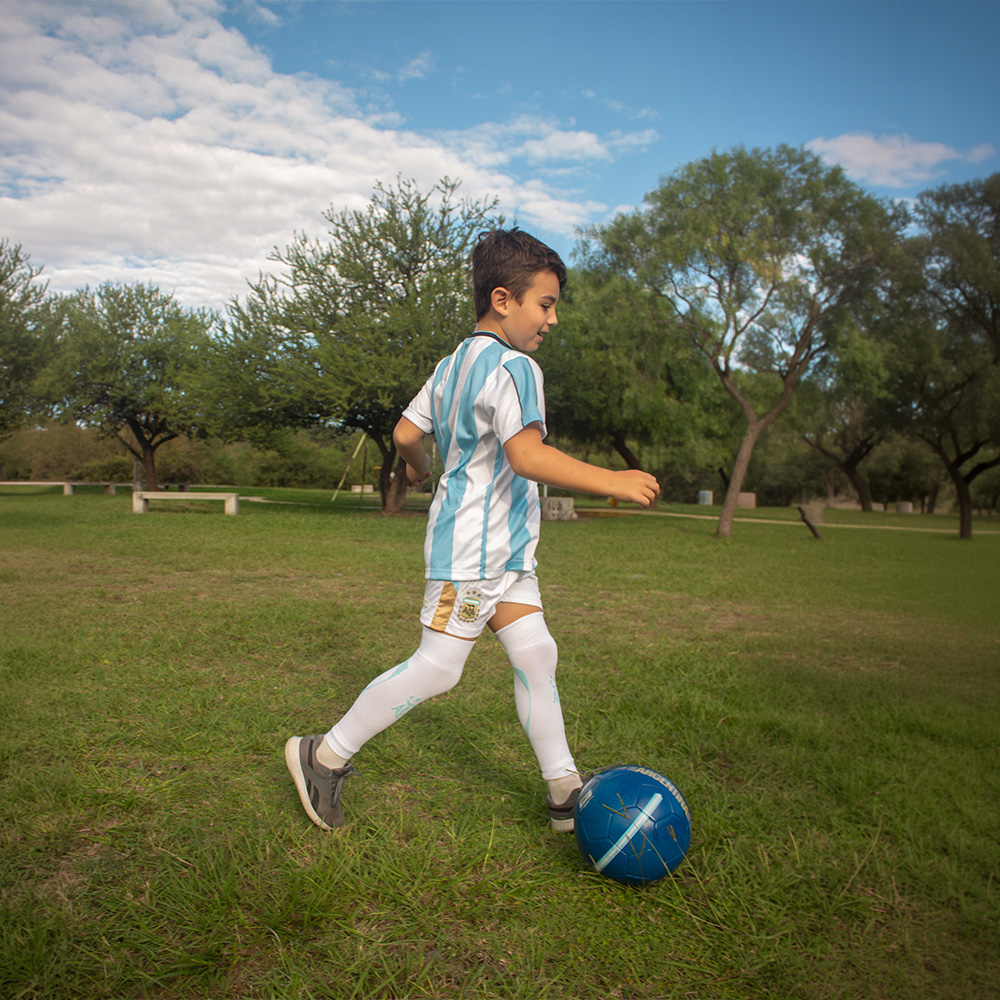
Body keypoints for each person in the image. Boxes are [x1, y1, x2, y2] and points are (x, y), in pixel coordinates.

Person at [285, 229, 659, 833]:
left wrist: (420, 470)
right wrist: (612, 479)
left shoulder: (452, 364)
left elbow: (408, 434)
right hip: (472, 553)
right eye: (546, 304)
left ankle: (565, 792)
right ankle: (322, 756)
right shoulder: (517, 368)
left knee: (536, 654)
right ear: (504, 299)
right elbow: (528, 456)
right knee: (439, 667)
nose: (553, 319)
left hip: (505, 552)